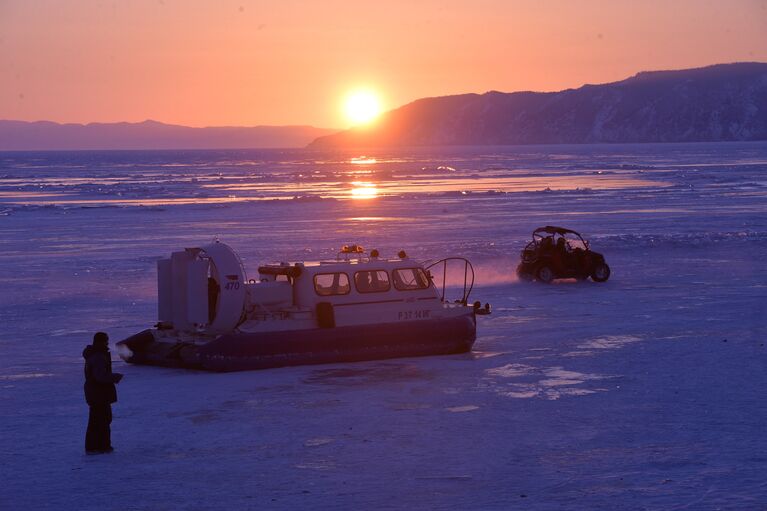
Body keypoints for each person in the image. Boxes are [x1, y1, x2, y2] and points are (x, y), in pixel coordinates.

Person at [83, 332, 123, 454]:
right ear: (101, 341)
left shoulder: (94, 354)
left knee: (97, 419)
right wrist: (114, 377)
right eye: (106, 341)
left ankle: (95, 446)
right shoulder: (99, 356)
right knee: (102, 419)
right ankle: (101, 446)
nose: (107, 343)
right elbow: (100, 376)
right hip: (98, 393)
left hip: (95, 392)